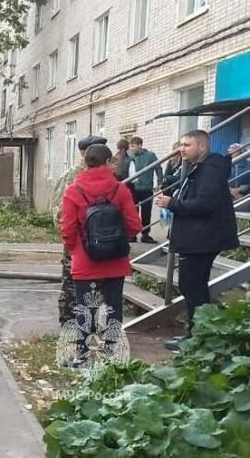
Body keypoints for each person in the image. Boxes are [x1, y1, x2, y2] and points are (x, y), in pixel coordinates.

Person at [155, 130, 239, 350]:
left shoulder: (209, 170)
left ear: (202, 146)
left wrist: (172, 203)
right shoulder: (199, 167)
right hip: (197, 237)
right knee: (193, 286)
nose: (181, 149)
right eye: (181, 144)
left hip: (202, 239)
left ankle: (197, 337)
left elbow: (204, 205)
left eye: (187, 145)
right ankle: (198, 334)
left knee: (193, 287)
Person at [60, 144, 141, 364]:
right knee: (114, 308)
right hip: (115, 259)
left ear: (85, 162)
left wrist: (76, 249)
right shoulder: (120, 190)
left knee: (85, 309)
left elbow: (67, 229)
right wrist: (117, 240)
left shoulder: (73, 191)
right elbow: (134, 225)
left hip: (85, 260)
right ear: (107, 162)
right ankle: (112, 354)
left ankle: (83, 356)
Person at [50, 135, 107, 327]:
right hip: (77, 238)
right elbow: (58, 208)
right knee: (71, 283)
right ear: (85, 153)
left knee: (92, 284)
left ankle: (88, 324)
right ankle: (69, 323)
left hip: (96, 240)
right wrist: (69, 237)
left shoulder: (103, 175)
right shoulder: (73, 175)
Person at [127, 137, 162, 243]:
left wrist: (159, 182)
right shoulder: (130, 156)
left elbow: (158, 168)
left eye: (133, 146)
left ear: (140, 145)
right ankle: (133, 234)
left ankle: (145, 234)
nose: (131, 148)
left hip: (146, 188)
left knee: (146, 212)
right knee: (133, 212)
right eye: (130, 146)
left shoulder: (150, 155)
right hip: (133, 189)